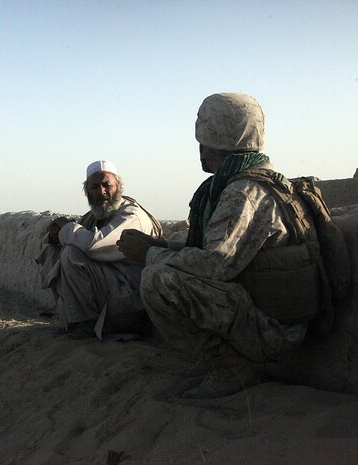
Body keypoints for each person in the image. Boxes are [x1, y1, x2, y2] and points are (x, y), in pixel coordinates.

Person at [117, 92, 325, 398]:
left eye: (204, 140)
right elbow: (217, 250)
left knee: (157, 280)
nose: (199, 149)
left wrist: (149, 254)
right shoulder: (259, 180)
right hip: (269, 315)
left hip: (273, 330)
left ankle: (230, 368)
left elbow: (213, 263)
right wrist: (163, 246)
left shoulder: (243, 192)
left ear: (218, 141)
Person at [36, 160, 163, 340]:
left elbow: (96, 245)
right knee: (54, 251)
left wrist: (66, 229)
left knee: (72, 254)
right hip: (109, 290)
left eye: (106, 185)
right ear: (87, 191)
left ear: (119, 186)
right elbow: (71, 235)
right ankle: (74, 320)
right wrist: (55, 232)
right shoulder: (94, 216)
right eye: (95, 187)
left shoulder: (131, 215)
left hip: (129, 296)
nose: (101, 192)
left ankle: (87, 323)